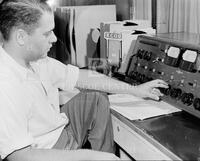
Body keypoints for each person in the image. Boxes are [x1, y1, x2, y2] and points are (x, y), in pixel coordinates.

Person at [0, 0, 168, 161]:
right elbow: (20, 157)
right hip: (45, 152)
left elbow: (82, 77)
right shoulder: (6, 85)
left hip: (58, 129)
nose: (54, 39)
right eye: (47, 33)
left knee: (95, 98)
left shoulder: (35, 60)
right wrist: (90, 157)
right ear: (21, 37)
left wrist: (136, 89)